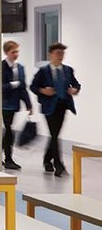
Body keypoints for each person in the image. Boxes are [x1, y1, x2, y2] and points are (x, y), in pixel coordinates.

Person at [30, 42, 81, 177]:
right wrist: (42, 90)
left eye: (62, 53)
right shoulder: (44, 71)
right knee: (54, 134)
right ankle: (59, 165)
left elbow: (76, 84)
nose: (60, 56)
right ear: (50, 55)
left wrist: (75, 89)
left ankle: (47, 160)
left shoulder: (68, 70)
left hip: (63, 105)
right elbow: (33, 86)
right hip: (49, 107)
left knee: (54, 135)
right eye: (58, 53)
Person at [0, 40, 32, 170]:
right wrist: (13, 85)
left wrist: (29, 104)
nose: (16, 54)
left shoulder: (20, 68)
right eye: (13, 52)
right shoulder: (1, 67)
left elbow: (23, 88)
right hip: (5, 103)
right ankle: (8, 158)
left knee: (8, 131)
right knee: (9, 131)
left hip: (14, 104)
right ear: (7, 52)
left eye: (17, 51)